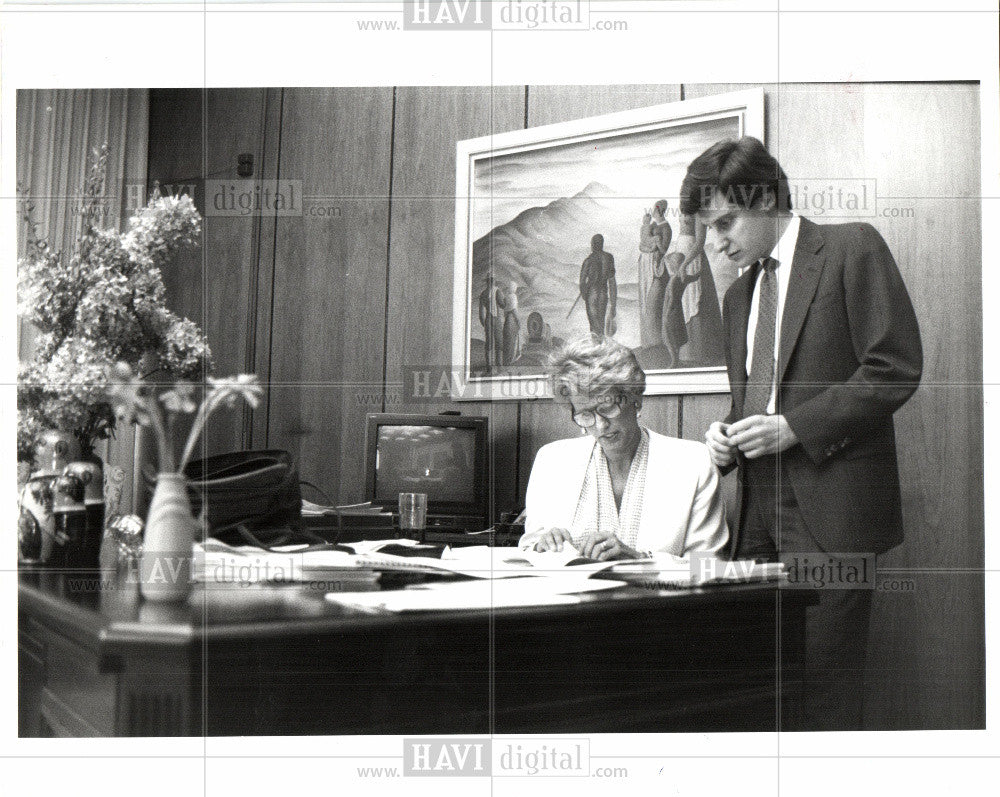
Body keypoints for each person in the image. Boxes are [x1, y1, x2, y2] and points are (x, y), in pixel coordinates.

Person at [681, 136, 922, 730]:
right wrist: (726, 437)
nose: (716, 242)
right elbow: (756, 398)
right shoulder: (739, 295)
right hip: (755, 516)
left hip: (830, 518)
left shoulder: (849, 247)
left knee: (825, 696)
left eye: (724, 222)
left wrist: (795, 428)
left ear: (764, 199)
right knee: (759, 693)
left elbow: (895, 368)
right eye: (709, 230)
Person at [518, 335, 729, 560]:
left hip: (659, 595)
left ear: (634, 398)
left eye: (607, 407)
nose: (600, 425)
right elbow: (528, 549)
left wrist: (640, 560)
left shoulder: (692, 462)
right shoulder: (551, 461)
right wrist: (542, 547)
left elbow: (710, 567)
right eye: (585, 414)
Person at [637, 203, 672, 348]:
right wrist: (649, 246)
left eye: (654, 209)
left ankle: (659, 341)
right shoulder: (652, 226)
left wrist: (655, 244)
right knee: (649, 304)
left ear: (659, 211)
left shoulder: (666, 228)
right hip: (648, 267)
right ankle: (652, 342)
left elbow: (663, 250)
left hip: (659, 270)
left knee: (654, 303)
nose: (652, 211)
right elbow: (641, 245)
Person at [579, 234, 617, 337]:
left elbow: (582, 282)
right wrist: (613, 304)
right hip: (603, 294)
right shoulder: (609, 258)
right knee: (601, 324)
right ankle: (600, 346)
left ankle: (596, 347)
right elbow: (612, 282)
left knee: (593, 325)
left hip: (592, 294)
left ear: (593, 245)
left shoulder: (588, 260)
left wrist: (584, 293)